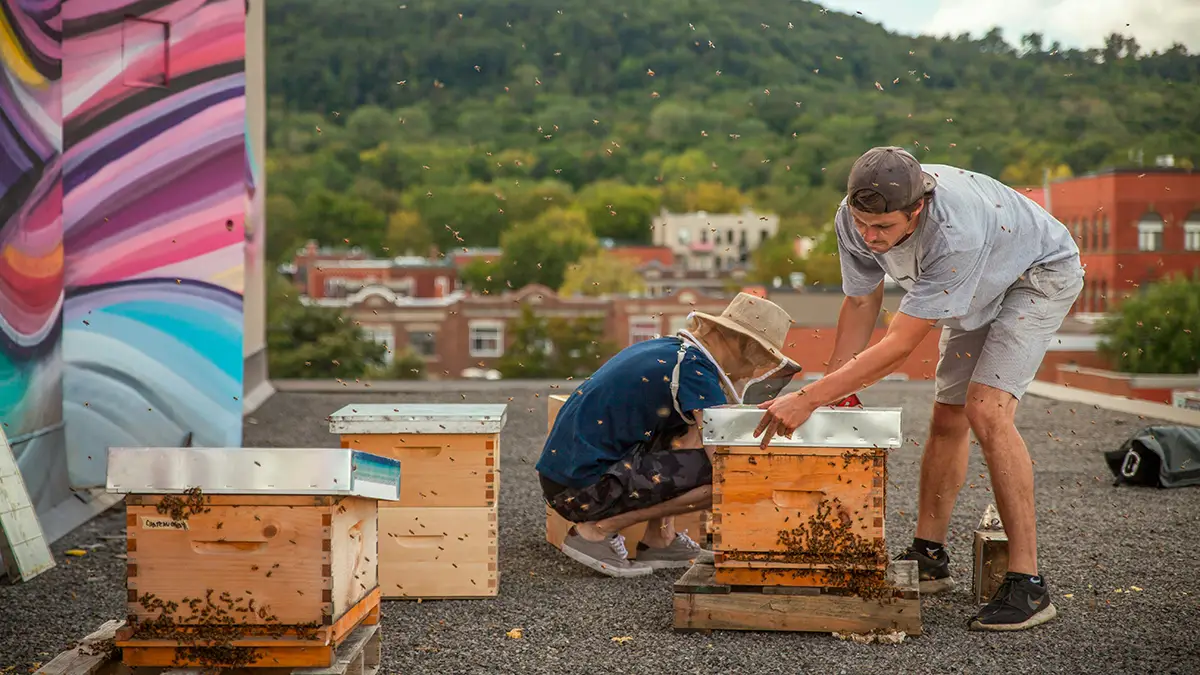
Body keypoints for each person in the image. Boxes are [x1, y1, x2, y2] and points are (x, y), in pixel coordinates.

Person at [755, 146, 1082, 631]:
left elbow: (901, 344)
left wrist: (808, 398)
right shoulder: (853, 218)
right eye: (863, 223)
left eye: (883, 228)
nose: (871, 237)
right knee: (947, 414)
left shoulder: (954, 233)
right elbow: (861, 302)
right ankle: (929, 556)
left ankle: (1029, 584)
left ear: (918, 208)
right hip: (980, 279)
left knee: (986, 411)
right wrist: (835, 389)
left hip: (1036, 274)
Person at [537, 292, 801, 578]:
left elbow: (691, 438)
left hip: (566, 478)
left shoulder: (672, 351)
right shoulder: (693, 371)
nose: (755, 369)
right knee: (726, 478)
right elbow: (724, 461)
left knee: (684, 431)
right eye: (760, 359)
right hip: (580, 491)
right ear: (746, 345)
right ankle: (596, 532)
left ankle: (660, 539)